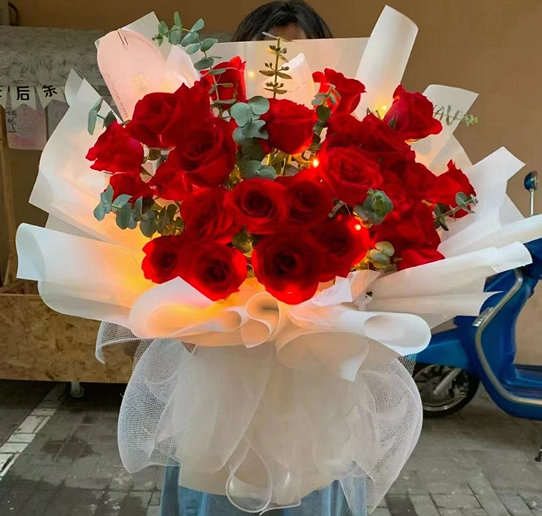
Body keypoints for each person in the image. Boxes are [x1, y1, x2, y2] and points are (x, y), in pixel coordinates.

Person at [159, 2, 367, 514]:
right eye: (268, 54)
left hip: (310, 389)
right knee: (216, 487)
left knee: (309, 488)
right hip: (225, 383)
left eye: (298, 55)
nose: (282, 70)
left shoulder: (345, 150)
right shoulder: (214, 147)